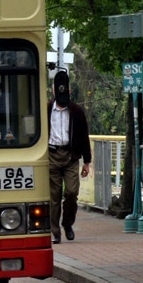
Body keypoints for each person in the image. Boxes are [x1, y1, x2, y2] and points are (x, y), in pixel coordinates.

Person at [47, 70, 92, 243]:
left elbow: (83, 135)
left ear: (69, 91)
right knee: (54, 197)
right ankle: (55, 232)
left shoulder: (76, 111)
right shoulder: (47, 109)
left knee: (72, 193)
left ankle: (67, 224)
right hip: (52, 156)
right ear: (53, 90)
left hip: (71, 156)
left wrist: (87, 162)